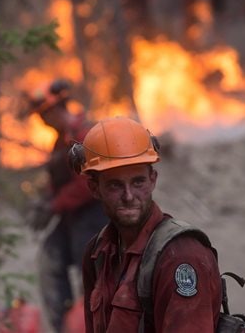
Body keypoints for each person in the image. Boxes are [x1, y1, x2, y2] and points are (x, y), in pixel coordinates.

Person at [72, 117, 222, 333]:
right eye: (115, 185)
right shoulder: (97, 254)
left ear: (153, 180)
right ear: (94, 188)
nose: (129, 196)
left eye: (138, 182)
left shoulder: (180, 256)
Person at [25, 79, 108, 332]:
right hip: (70, 216)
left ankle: (98, 325)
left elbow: (87, 184)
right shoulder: (60, 141)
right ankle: (65, 326)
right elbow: (60, 181)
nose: (42, 121)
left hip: (94, 215)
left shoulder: (84, 134)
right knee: (50, 260)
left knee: (93, 277)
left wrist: (55, 205)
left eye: (44, 114)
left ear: (57, 108)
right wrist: (46, 200)